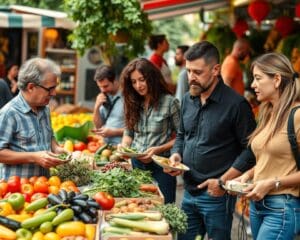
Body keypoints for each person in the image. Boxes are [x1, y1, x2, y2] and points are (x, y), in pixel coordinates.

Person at [164, 41, 256, 240]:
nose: (191, 78)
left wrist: (222, 182)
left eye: (197, 72)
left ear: (215, 70)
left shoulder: (237, 105)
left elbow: (250, 151)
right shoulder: (188, 99)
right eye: (188, 71)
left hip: (217, 195)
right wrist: (176, 155)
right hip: (189, 191)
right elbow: (181, 135)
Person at [228, 52, 300, 239]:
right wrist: (246, 176)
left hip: (282, 206)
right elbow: (266, 158)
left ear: (276, 79)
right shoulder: (267, 113)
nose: (252, 85)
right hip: (257, 205)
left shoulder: (298, 115)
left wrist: (272, 183)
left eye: (258, 78)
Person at [119, 58, 180, 203]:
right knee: (139, 206)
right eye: (133, 82)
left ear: (151, 78)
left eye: (142, 80)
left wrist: (158, 149)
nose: (138, 86)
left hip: (162, 167)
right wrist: (124, 147)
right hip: (137, 164)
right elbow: (129, 132)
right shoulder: (132, 102)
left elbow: (182, 137)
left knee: (164, 207)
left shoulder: (170, 102)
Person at [0, 57, 66, 179]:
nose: (54, 93)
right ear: (31, 87)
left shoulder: (45, 108)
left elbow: (49, 136)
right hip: (17, 189)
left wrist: (56, 149)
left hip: (43, 186)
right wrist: (34, 157)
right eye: (50, 88)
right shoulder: (9, 113)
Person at [92, 64, 124, 145]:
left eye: (105, 86)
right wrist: (96, 107)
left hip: (121, 146)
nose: (102, 90)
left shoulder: (128, 98)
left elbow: (136, 130)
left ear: (115, 81)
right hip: (105, 145)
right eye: (100, 87)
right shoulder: (104, 96)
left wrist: (113, 132)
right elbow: (98, 125)